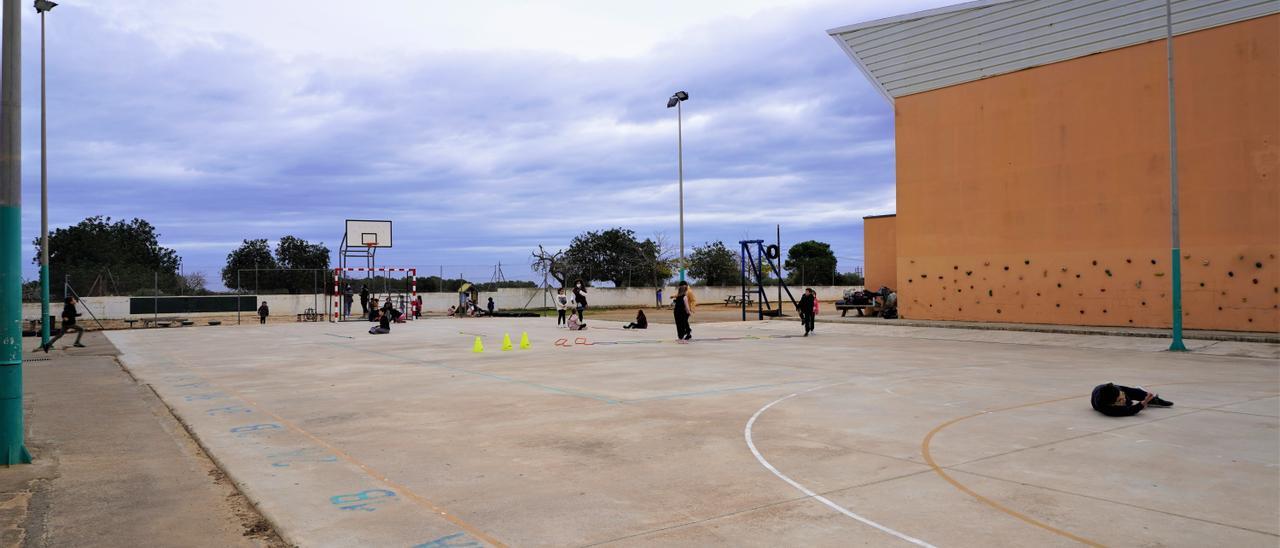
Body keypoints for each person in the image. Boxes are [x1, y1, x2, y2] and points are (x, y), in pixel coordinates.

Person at [1091, 383, 1173, 417]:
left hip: (1106, 389)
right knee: (1128, 403)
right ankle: (1145, 399)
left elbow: (1124, 393)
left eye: (1121, 395)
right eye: (1120, 398)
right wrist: (1141, 404)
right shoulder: (1107, 409)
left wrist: (1146, 398)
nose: (1122, 397)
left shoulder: (1116, 389)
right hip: (1106, 397)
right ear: (1113, 404)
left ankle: (1154, 399)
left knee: (1132, 392)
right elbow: (1128, 411)